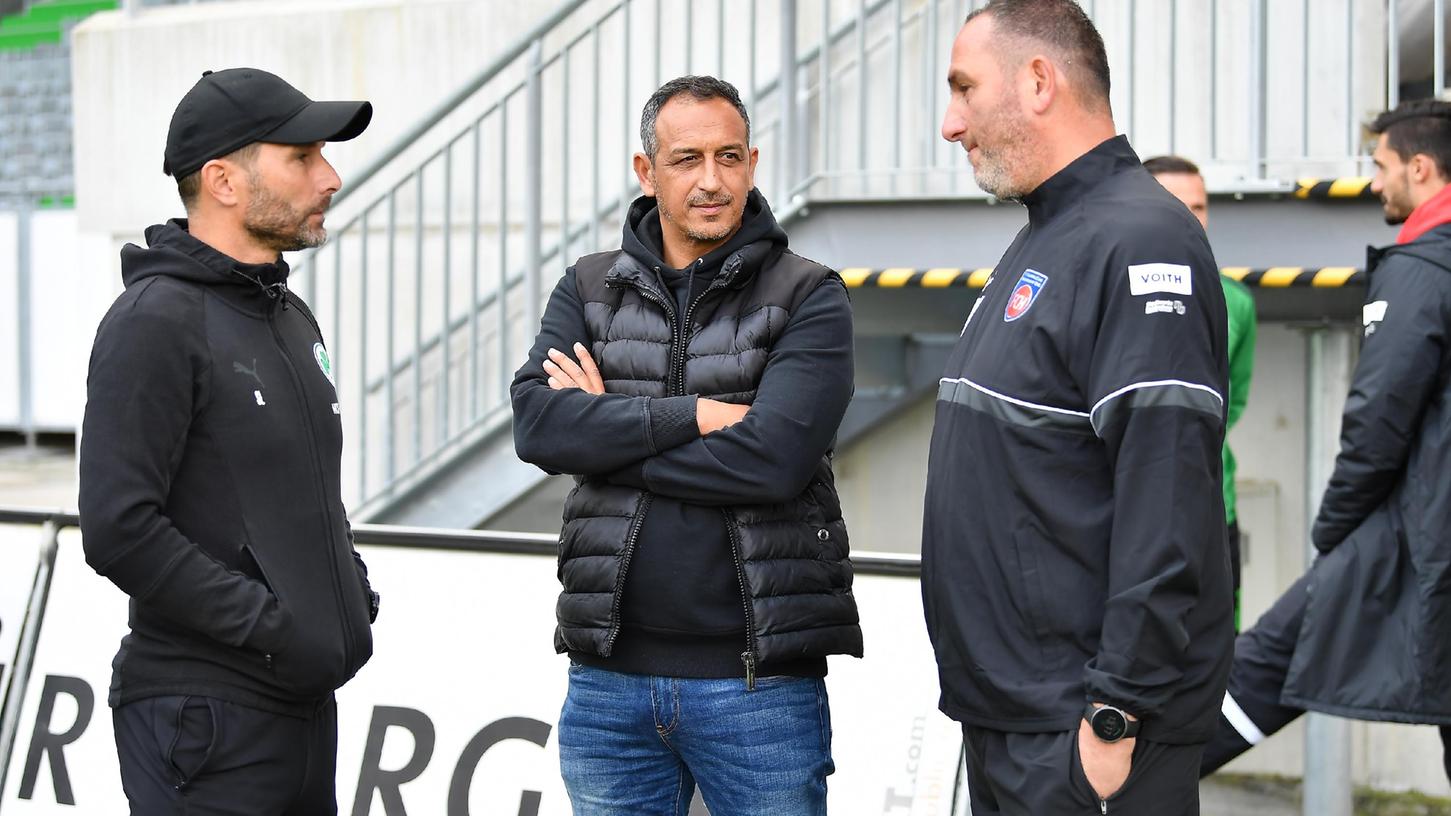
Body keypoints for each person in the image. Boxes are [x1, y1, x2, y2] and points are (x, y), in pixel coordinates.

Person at [511, 75, 861, 815]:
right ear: (646, 171)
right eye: (687, 159)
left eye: (729, 157)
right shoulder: (588, 287)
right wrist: (694, 413)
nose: (711, 180)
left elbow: (773, 462)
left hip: (757, 685)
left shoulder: (808, 293)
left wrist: (605, 430)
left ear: (752, 162)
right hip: (606, 682)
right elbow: (539, 426)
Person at [921, 2, 1233, 813]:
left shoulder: (1138, 239)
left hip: (1080, 733)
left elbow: (1166, 498)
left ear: (1036, 81)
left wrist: (1111, 716)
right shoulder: (1052, 230)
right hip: (1014, 721)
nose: (950, 124)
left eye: (962, 88)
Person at [78, 68, 379, 815]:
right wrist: (271, 624)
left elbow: (302, 489)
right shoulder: (154, 320)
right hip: (204, 720)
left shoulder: (287, 314)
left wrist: (348, 590)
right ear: (222, 180)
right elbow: (118, 528)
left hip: (300, 710)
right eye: (302, 157)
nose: (330, 176)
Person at [1201, 98, 1451, 784]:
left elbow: (1376, 420)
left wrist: (1332, 528)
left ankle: (1111, 789)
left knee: (1266, 660)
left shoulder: (1423, 270)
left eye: (1381, 167)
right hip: (1421, 534)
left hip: (1415, 535)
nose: (1374, 183)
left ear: (1420, 169)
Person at [1145, 154, 1258, 630]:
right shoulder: (1104, 285)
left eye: (1200, 205)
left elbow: (1235, 398)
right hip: (1132, 505)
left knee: (1215, 641)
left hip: (1214, 504)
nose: (1192, 218)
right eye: (1176, 204)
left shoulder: (1236, 300)